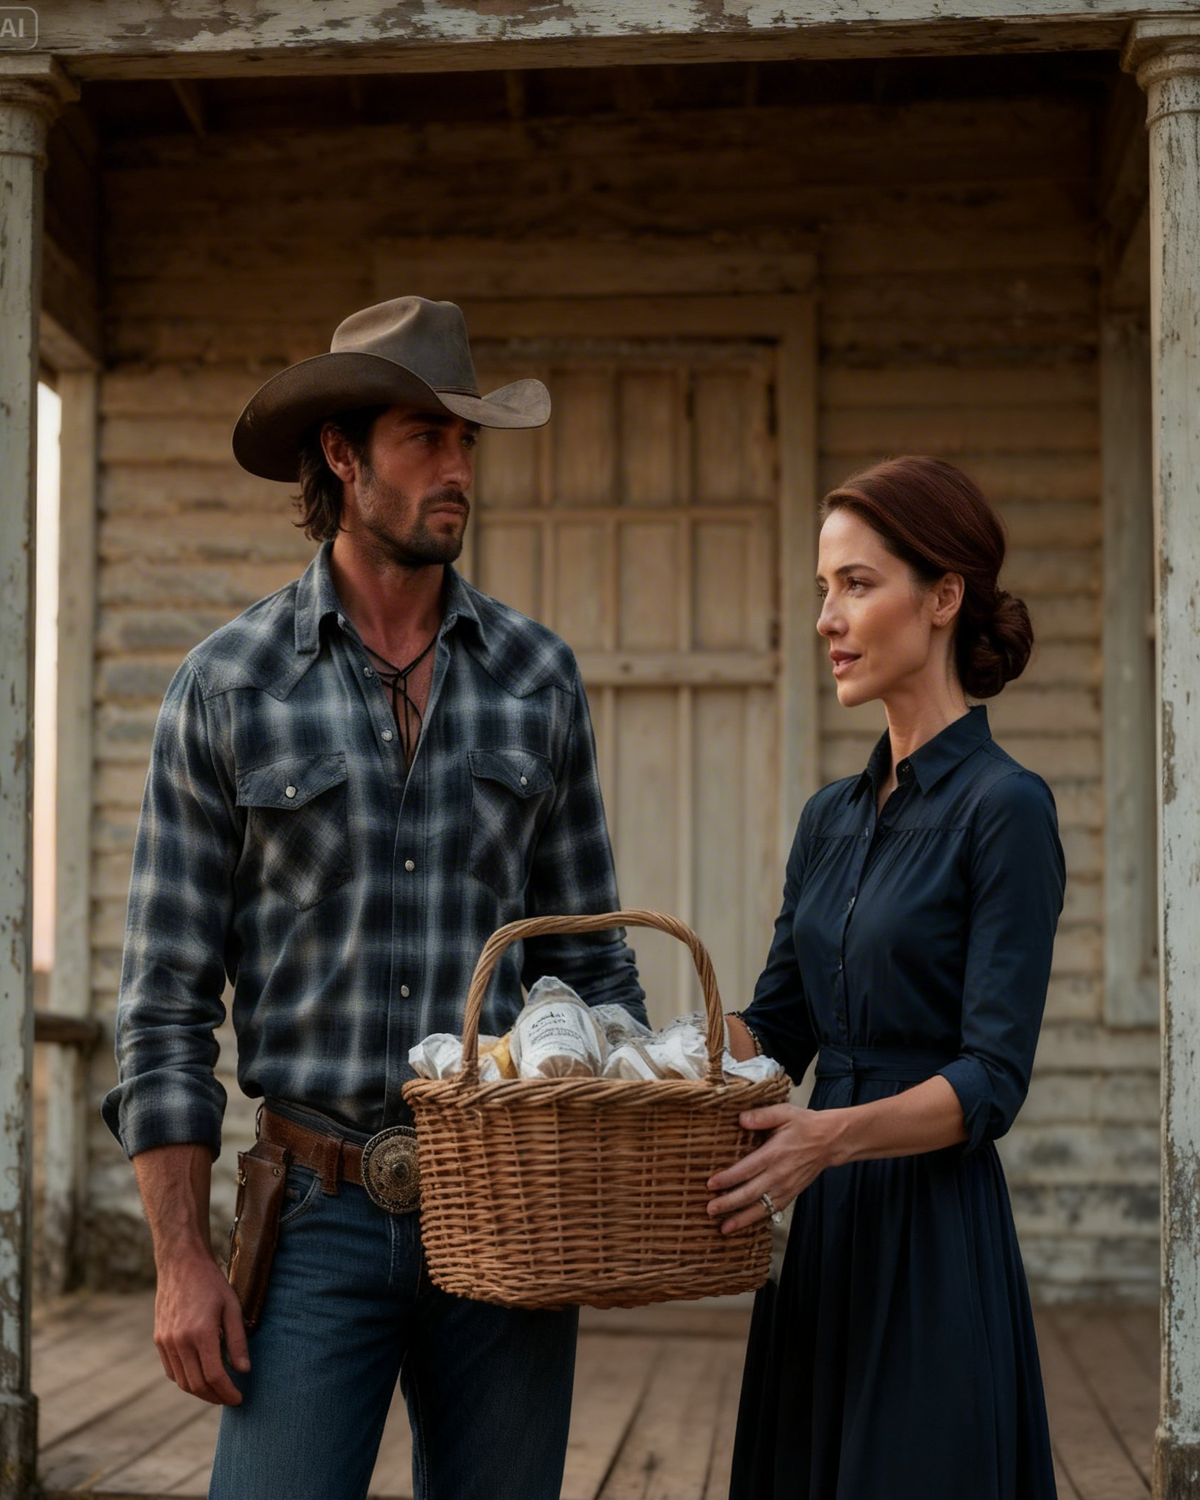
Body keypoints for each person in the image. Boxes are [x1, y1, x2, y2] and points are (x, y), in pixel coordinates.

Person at [102, 295, 646, 1500]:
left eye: (468, 445)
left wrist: (626, 1134)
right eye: (425, 439)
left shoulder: (536, 680)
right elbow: (163, 1005)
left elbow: (594, 967)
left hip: (506, 1205)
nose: (458, 471)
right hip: (310, 1218)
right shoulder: (226, 688)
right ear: (342, 458)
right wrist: (183, 1262)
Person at [708, 456, 1065, 1499]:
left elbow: (993, 1078)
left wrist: (826, 1137)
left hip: (932, 1242)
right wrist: (637, 1039)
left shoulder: (1009, 810)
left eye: (857, 584)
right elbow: (777, 1031)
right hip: (823, 1243)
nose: (828, 617)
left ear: (944, 597)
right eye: (824, 588)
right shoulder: (830, 818)